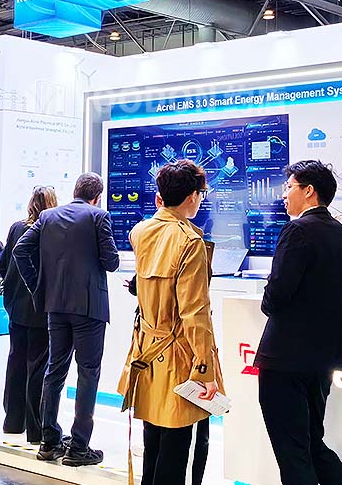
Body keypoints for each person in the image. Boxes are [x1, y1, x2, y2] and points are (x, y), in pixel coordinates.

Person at [255, 160, 342, 485]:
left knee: (293, 453)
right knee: (312, 444)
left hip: (286, 360)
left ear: (309, 191)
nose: (284, 195)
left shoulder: (298, 230)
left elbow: (276, 294)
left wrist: (268, 298)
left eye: (289, 187)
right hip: (323, 361)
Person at [118, 160, 221, 485]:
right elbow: (195, 312)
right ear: (192, 197)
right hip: (179, 357)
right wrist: (205, 369)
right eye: (200, 194)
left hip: (145, 351)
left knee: (153, 444)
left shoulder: (141, 232)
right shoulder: (189, 242)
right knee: (178, 450)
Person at [14, 172, 120, 467]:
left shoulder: (48, 216)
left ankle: (49, 441)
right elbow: (111, 262)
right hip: (89, 308)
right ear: (97, 196)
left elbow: (21, 250)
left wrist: (38, 287)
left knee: (54, 371)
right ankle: (79, 447)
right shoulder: (99, 217)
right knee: (88, 374)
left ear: (75, 191)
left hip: (55, 306)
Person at [0, 187, 55, 443]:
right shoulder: (52, 231)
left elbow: (3, 266)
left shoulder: (16, 228)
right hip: (41, 310)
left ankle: (13, 422)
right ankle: (36, 428)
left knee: (16, 362)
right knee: (39, 368)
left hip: (16, 307)